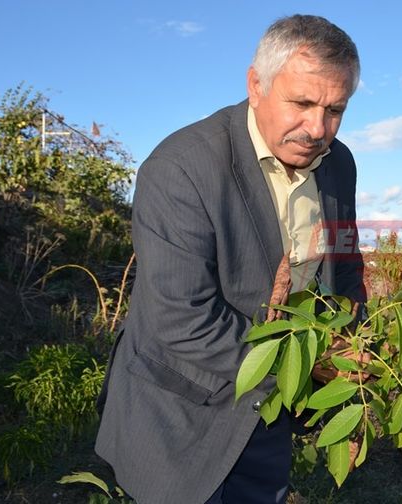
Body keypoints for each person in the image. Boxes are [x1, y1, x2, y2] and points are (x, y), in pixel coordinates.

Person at [95, 14, 366, 504]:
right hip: (180, 417)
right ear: (256, 85)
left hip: (270, 415)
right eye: (302, 103)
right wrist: (311, 364)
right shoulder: (180, 168)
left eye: (335, 109)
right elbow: (181, 319)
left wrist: (355, 337)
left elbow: (344, 268)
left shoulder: (339, 164)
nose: (317, 128)